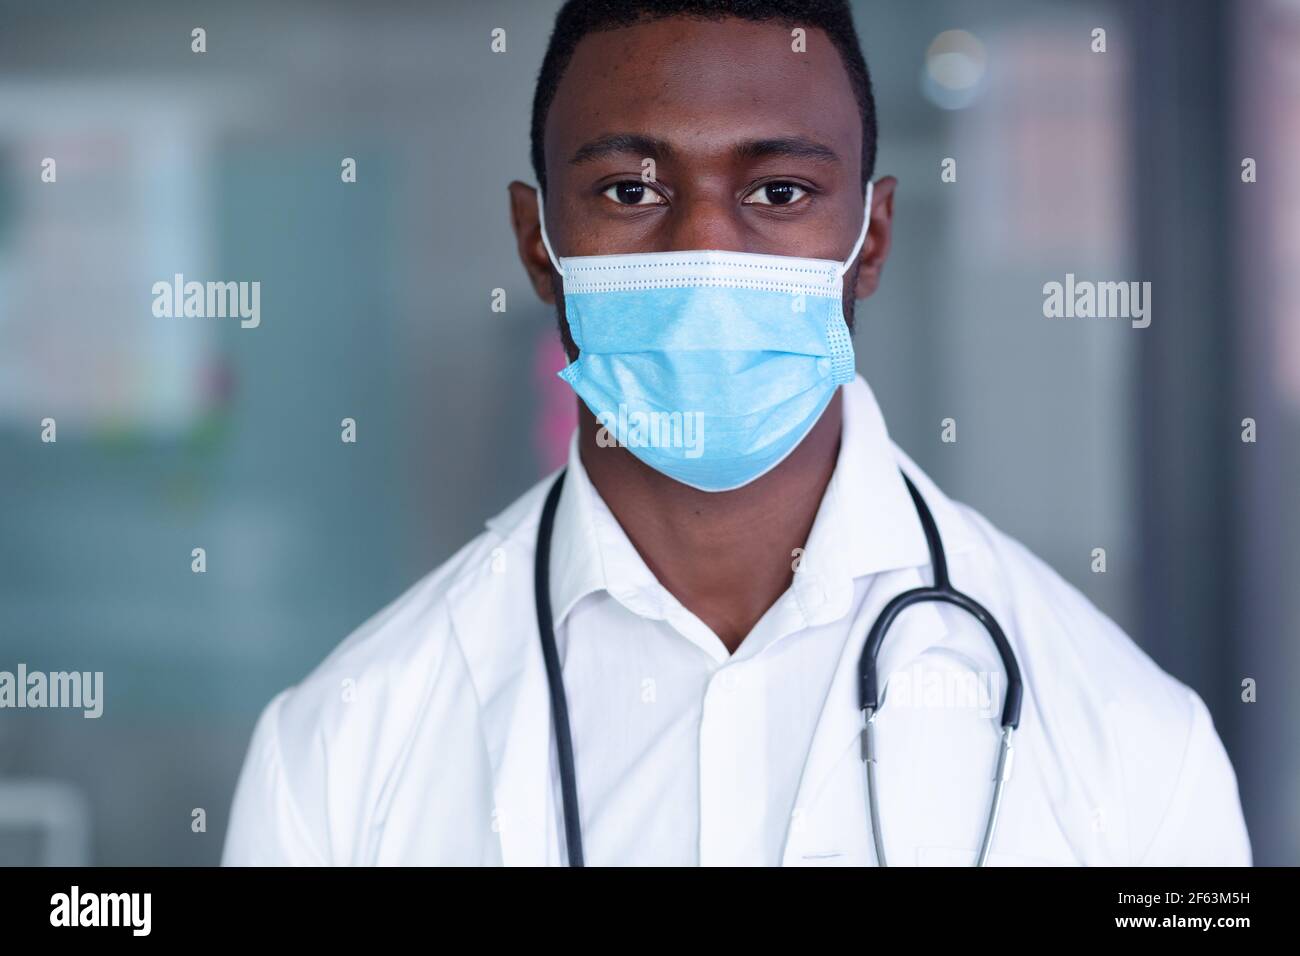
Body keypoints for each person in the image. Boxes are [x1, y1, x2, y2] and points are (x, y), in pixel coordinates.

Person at [222, 0, 1251, 866]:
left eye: (778, 191)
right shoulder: (339, 754)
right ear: (539, 243)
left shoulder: (1133, 752)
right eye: (631, 190)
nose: (706, 247)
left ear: (871, 238)